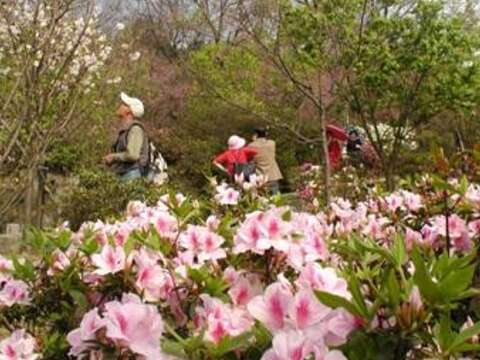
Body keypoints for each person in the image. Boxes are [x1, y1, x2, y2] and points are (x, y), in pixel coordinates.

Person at [104, 92, 150, 182]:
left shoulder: (135, 129)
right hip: (125, 174)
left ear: (129, 111)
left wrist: (113, 157)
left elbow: (133, 155)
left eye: (124, 104)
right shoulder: (127, 129)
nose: (120, 105)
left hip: (131, 175)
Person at [249, 128, 283, 194]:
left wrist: (254, 140)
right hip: (273, 175)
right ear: (266, 134)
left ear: (256, 135)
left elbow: (250, 159)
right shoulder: (272, 143)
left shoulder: (251, 146)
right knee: (276, 199)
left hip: (260, 175)